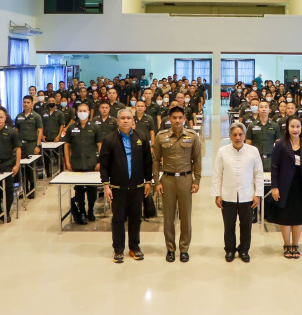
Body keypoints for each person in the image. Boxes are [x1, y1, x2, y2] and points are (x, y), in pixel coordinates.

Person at [100, 109, 153, 263]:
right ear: (117, 121)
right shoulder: (109, 139)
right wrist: (106, 185)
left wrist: (148, 181)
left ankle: (134, 247)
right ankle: (118, 250)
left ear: (133, 121)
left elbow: (148, 162)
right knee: (118, 219)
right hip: (117, 188)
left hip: (137, 187)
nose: (125, 121)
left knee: (136, 218)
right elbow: (104, 165)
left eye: (129, 118)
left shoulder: (141, 138)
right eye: (122, 118)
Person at [153, 106, 202, 263]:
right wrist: (156, 182)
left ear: (184, 119)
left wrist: (197, 180)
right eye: (174, 117)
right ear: (169, 119)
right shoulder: (161, 137)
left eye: (180, 117)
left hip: (185, 179)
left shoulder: (192, 136)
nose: (177, 120)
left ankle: (184, 248)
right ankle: (170, 248)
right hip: (167, 179)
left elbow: (197, 159)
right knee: (168, 217)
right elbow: (155, 160)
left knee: (185, 216)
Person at [212, 122, 264, 263]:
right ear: (230, 136)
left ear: (245, 136)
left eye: (240, 134)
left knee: (246, 226)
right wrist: (217, 194)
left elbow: (258, 173)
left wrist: (258, 194)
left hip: (248, 195)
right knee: (229, 225)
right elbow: (217, 174)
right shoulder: (223, 151)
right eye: (234, 134)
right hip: (227, 196)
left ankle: (244, 250)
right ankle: (230, 250)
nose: (238, 137)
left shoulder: (253, 151)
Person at [270, 116, 302, 259]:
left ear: (301, 128)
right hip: (285, 186)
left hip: (301, 186)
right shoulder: (280, 144)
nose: (295, 129)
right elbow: (274, 167)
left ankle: (295, 244)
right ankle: (286, 244)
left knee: (298, 217)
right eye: (292, 126)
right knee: (285, 217)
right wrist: (275, 187)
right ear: (287, 128)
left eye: (298, 126)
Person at [64, 103, 102, 224]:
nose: (82, 113)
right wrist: (68, 162)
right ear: (76, 112)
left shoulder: (95, 127)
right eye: (80, 111)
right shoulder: (71, 127)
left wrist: (100, 161)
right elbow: (66, 145)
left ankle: (91, 210)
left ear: (89, 112)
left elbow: (100, 145)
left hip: (91, 163)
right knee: (79, 189)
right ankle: (81, 212)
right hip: (76, 163)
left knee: (92, 190)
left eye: (84, 110)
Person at [14, 96, 43, 199]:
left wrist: (38, 145)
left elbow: (40, 131)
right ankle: (23, 189)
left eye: (28, 102)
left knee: (31, 169)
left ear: (32, 104)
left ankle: (32, 190)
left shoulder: (36, 116)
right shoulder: (19, 116)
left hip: (32, 144)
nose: (26, 104)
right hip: (21, 145)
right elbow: (16, 131)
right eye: (24, 102)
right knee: (22, 169)